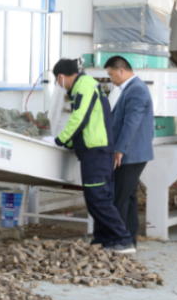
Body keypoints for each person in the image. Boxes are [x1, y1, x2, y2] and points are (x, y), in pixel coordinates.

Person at [43, 58, 135, 253]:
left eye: (57, 81)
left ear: (61, 77)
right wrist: (69, 142)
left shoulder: (84, 86)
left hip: (96, 152)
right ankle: (104, 240)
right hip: (97, 150)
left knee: (98, 198)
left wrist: (59, 140)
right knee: (98, 198)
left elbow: (79, 118)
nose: (59, 85)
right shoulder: (84, 86)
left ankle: (123, 239)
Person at [104, 56, 154, 248]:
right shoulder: (132, 89)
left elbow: (131, 124)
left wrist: (119, 149)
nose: (111, 80)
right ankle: (129, 241)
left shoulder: (136, 90)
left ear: (121, 71)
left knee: (120, 198)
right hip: (131, 153)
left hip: (130, 154)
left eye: (111, 75)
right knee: (130, 198)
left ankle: (120, 242)